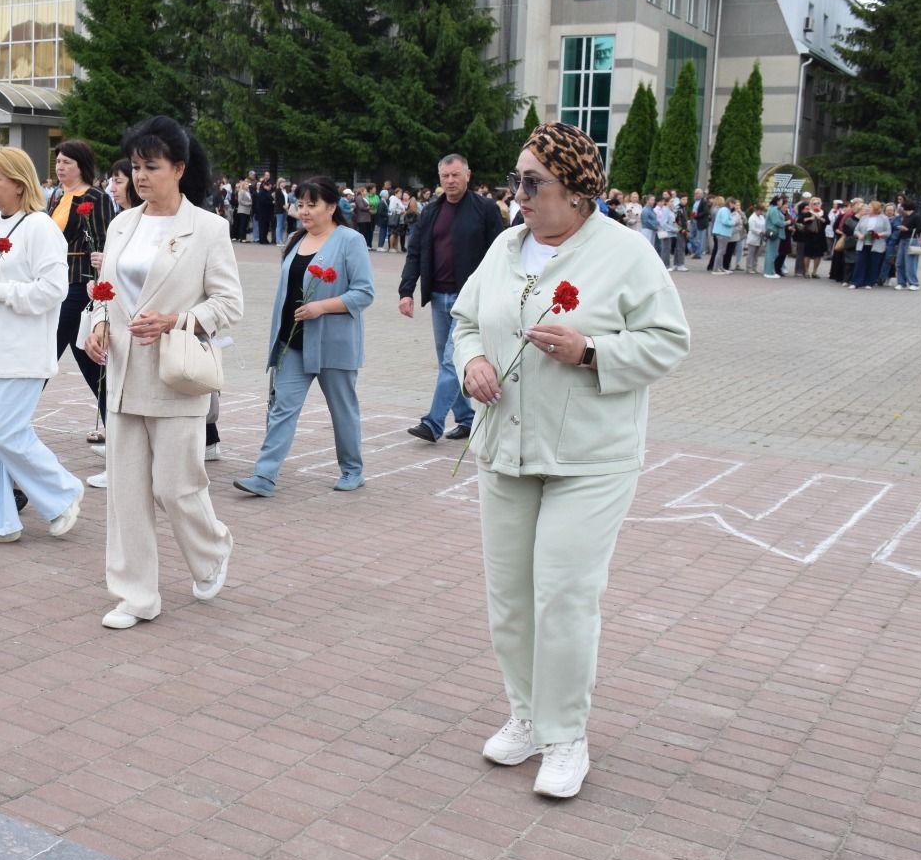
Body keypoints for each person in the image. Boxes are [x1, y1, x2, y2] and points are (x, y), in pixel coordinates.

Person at [455, 121, 691, 799]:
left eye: (533, 183)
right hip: (506, 445)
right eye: (516, 181)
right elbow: (468, 319)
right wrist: (470, 359)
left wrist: (592, 351)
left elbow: (669, 340)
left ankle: (565, 736)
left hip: (589, 456)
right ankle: (525, 715)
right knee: (510, 596)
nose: (518, 195)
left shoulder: (626, 253)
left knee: (562, 595)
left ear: (578, 191)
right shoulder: (504, 246)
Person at [84, 116, 243, 630]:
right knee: (127, 492)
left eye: (151, 167)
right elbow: (106, 292)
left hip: (175, 373)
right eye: (135, 167)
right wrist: (96, 324)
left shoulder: (208, 228)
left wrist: (179, 319)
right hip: (125, 374)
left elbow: (229, 303)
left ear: (179, 167)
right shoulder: (121, 223)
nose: (140, 177)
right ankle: (136, 596)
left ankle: (212, 548)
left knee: (177, 486)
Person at [0, 146, 83, 543]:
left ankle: (62, 494)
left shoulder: (41, 228)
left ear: (19, 183)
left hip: (22, 350)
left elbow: (53, 291)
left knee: (7, 433)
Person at [233, 176, 374, 497]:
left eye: (313, 205)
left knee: (342, 409)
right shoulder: (297, 240)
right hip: (292, 342)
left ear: (332, 207)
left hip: (333, 346)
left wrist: (321, 306)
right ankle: (264, 476)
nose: (305, 211)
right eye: (301, 205)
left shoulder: (349, 240)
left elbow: (364, 293)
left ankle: (353, 469)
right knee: (282, 407)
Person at [399, 154, 505, 444]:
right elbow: (415, 252)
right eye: (445, 176)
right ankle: (467, 419)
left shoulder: (485, 209)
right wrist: (406, 291)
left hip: (469, 298)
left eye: (456, 175)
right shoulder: (431, 211)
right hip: (438, 297)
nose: (450, 181)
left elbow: (502, 251)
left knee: (449, 361)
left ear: (468, 175)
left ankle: (432, 423)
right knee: (451, 361)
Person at [46, 140, 118, 445]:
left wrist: (96, 284)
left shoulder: (96, 197)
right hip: (56, 282)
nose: (60, 167)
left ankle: (15, 416)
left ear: (81, 165)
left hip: (79, 284)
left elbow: (103, 243)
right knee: (88, 360)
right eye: (58, 161)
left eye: (67, 162)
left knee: (47, 350)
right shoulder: (56, 196)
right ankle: (115, 420)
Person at [851, 200, 891, 288]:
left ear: (875, 208)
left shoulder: (884, 218)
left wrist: (878, 235)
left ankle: (869, 282)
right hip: (863, 243)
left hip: (877, 244)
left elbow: (888, 232)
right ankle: (856, 282)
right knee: (860, 263)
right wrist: (860, 235)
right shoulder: (864, 218)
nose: (868, 208)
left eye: (870, 207)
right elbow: (856, 230)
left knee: (873, 264)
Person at [896, 201, 921, 290]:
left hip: (911, 241)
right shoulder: (906, 217)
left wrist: (907, 230)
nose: (901, 208)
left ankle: (914, 283)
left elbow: (919, 229)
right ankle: (901, 282)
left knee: (910, 263)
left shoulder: (916, 216)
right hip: (903, 240)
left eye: (902, 207)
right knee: (899, 263)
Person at [707, 196, 736, 273]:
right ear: (730, 203)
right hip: (722, 233)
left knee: (722, 251)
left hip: (723, 233)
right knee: (720, 251)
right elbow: (725, 221)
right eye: (733, 204)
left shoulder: (725, 210)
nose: (734, 206)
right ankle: (715, 269)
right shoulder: (725, 210)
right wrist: (733, 222)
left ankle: (720, 267)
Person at [762, 194, 786, 278]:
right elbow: (776, 222)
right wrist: (786, 223)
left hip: (774, 233)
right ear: (778, 201)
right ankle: (769, 272)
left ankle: (769, 271)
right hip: (775, 233)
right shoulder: (774, 210)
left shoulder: (773, 209)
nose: (782, 203)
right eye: (781, 201)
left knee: (772, 253)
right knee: (772, 253)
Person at [743, 199, 767, 274]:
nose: (762, 212)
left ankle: (754, 267)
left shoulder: (762, 217)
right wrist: (760, 232)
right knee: (751, 254)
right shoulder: (752, 218)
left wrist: (764, 231)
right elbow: (752, 228)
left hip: (760, 238)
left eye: (762, 211)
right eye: (760, 211)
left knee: (757, 255)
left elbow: (764, 225)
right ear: (757, 210)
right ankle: (748, 268)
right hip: (753, 238)